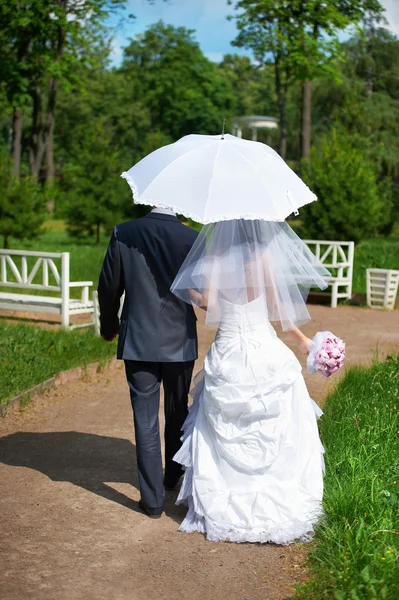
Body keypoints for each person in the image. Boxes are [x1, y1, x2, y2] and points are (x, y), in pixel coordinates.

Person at [170, 218, 330, 544]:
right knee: (281, 411)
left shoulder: (214, 257)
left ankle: (225, 500)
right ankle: (279, 493)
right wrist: (302, 341)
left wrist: (190, 291)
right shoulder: (265, 257)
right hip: (263, 344)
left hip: (228, 345)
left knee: (221, 418)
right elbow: (276, 306)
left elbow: (209, 304)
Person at [98, 207, 198, 519]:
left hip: (139, 338)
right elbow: (202, 290)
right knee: (177, 406)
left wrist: (109, 324)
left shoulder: (123, 232)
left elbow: (109, 286)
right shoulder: (192, 238)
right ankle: (172, 476)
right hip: (180, 338)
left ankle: (152, 500)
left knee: (145, 418)